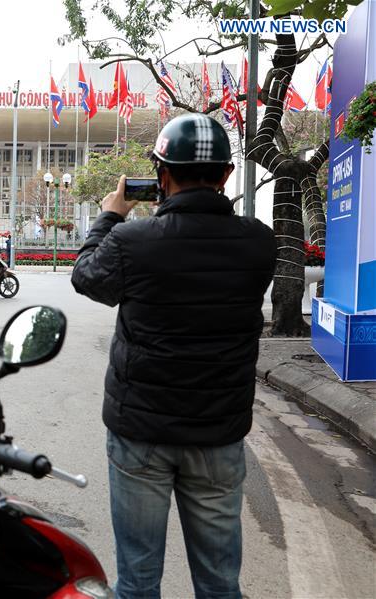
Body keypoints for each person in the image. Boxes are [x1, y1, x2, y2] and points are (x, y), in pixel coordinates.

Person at [70, 114, 277, 599]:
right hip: (218, 436)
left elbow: (86, 277)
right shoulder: (259, 242)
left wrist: (111, 213)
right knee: (220, 583)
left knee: (138, 582)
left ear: (161, 175)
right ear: (226, 175)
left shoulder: (131, 242)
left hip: (140, 436)